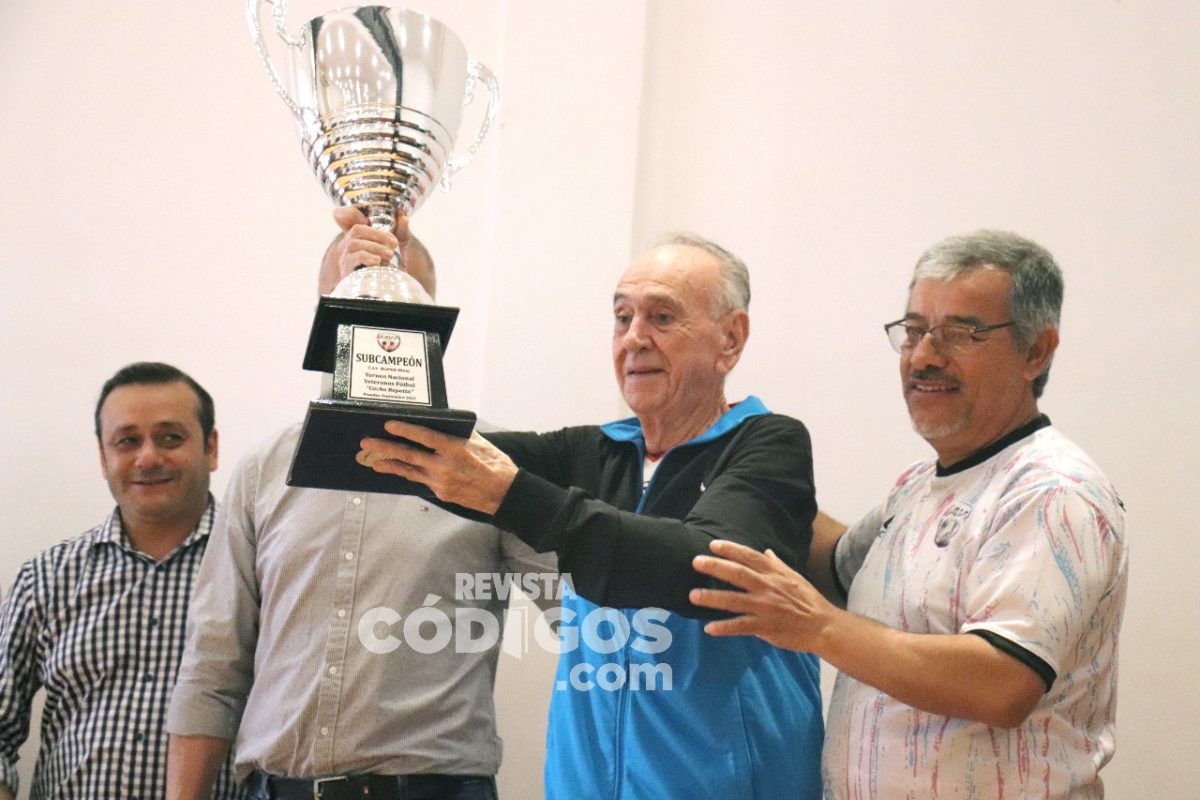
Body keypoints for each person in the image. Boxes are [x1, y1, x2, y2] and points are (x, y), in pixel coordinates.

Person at [357, 235, 824, 799]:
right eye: (622, 317)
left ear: (731, 338)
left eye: (662, 317)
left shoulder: (769, 445)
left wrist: (514, 496)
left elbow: (703, 570)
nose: (634, 338)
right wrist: (381, 284)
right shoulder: (595, 452)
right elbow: (403, 446)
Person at [690, 230, 1128, 799]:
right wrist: (746, 465)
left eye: (960, 333)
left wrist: (817, 627)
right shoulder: (919, 486)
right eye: (915, 331)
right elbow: (835, 568)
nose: (924, 356)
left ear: (1036, 351)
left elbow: (1000, 684)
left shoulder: (1051, 491)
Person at [164, 207, 556, 800]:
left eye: (401, 301)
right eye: (356, 298)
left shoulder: (492, 464)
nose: (381, 328)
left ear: (433, 324)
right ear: (325, 318)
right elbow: (214, 665)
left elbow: (578, 614)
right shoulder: (264, 469)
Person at [0, 362, 242, 800]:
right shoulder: (47, 579)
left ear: (211, 447)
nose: (147, 457)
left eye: (170, 437)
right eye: (127, 441)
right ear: (102, 456)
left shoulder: (258, 570)